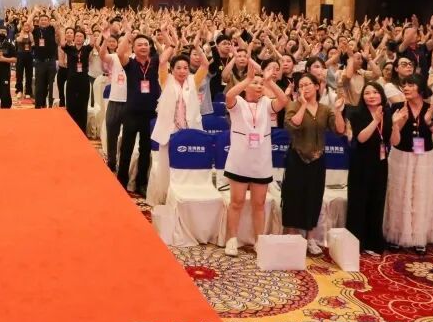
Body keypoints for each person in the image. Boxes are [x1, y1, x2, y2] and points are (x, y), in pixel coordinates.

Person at [223, 60, 288, 256]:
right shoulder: (238, 103)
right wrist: (247, 79)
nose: (259, 86)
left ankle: (259, 240)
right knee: (237, 202)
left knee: (259, 204)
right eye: (255, 83)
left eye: (261, 84)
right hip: (240, 161)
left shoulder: (267, 104)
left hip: (261, 161)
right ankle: (232, 239)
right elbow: (229, 95)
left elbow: (283, 100)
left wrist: (270, 82)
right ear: (246, 86)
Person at [282, 73, 345, 255]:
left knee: (314, 197)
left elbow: (339, 130)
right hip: (297, 157)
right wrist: (302, 105)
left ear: (317, 86)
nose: (304, 88)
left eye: (308, 84)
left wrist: (338, 111)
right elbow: (292, 125)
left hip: (318, 159)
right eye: (301, 85)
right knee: (293, 196)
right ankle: (292, 235)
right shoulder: (293, 105)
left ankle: (310, 237)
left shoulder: (325, 109)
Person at [384, 75, 433, 254]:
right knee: (399, 194)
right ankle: (396, 235)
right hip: (400, 157)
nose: (406, 88)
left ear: (420, 88)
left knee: (422, 196)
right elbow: (393, 141)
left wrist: (429, 122)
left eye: (411, 84)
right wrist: (397, 124)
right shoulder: (396, 107)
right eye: (404, 84)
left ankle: (420, 237)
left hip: (425, 158)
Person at [147, 28, 209, 206]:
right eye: (178, 68)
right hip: (170, 130)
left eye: (185, 68)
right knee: (167, 167)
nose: (182, 71)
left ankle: (186, 196)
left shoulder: (193, 80)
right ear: (172, 69)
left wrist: (197, 48)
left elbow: (205, 65)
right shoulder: (165, 80)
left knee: (187, 165)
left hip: (190, 130)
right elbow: (162, 61)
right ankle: (165, 197)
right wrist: (171, 45)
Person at [346, 83, 393, 255]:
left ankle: (373, 242)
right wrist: (375, 121)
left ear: (381, 95)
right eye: (367, 93)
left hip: (381, 162)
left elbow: (392, 140)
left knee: (377, 201)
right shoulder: (356, 113)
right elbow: (361, 138)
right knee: (358, 202)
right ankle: (356, 242)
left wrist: (398, 124)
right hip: (361, 162)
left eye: (375, 92)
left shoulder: (388, 112)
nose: (371, 96)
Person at [116, 32, 162, 194]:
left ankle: (141, 183)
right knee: (126, 149)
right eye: (139, 45)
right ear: (134, 48)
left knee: (145, 150)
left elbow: (168, 51)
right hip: (131, 112)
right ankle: (121, 181)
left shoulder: (155, 62)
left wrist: (161, 36)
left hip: (150, 113)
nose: (143, 47)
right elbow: (119, 53)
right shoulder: (130, 63)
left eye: (146, 44)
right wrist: (128, 35)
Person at [99, 34, 127, 173]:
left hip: (129, 102)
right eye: (119, 42)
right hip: (115, 100)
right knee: (112, 133)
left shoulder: (135, 58)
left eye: (125, 42)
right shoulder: (114, 57)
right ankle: (111, 162)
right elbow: (102, 55)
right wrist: (105, 40)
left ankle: (124, 163)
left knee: (127, 136)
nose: (122, 45)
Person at [61, 30, 95, 132]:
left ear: (84, 39)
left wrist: (90, 33)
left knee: (82, 105)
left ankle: (82, 130)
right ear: (74, 38)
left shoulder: (86, 49)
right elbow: (62, 44)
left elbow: (92, 43)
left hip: (83, 80)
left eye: (81, 36)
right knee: (71, 105)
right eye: (77, 36)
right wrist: (63, 32)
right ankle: (71, 129)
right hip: (72, 79)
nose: (78, 38)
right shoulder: (70, 48)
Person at [32, 14, 58, 109]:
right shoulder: (36, 30)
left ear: (49, 21)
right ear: (39, 22)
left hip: (51, 61)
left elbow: (59, 24)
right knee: (39, 85)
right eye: (41, 20)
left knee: (51, 85)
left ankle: (51, 106)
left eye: (45, 20)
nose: (43, 21)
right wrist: (34, 12)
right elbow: (28, 23)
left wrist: (56, 14)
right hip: (40, 61)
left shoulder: (52, 29)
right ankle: (39, 106)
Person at [14, 21, 34, 99]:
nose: (26, 27)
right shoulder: (18, 34)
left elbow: (32, 42)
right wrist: (22, 32)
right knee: (19, 74)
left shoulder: (31, 35)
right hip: (20, 55)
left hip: (29, 55)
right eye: (25, 26)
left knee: (29, 74)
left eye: (28, 26)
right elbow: (19, 40)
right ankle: (19, 90)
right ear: (22, 26)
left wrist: (30, 34)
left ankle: (28, 91)